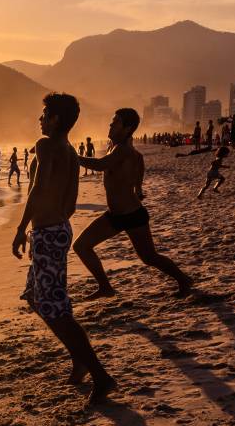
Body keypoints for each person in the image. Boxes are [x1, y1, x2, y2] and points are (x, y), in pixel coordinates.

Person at [13, 93, 115, 402]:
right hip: (58, 230)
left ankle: (99, 374)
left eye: (44, 114)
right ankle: (79, 360)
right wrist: (54, 226)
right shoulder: (70, 152)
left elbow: (37, 187)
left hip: (48, 233)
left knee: (56, 310)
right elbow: (69, 202)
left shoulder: (45, 146)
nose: (40, 119)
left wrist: (22, 228)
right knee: (36, 297)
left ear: (56, 119)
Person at [74, 108, 194, 299]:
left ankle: (184, 279)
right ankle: (105, 287)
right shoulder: (124, 150)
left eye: (115, 122)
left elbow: (100, 165)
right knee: (81, 246)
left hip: (131, 215)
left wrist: (72, 156)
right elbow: (139, 168)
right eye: (112, 122)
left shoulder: (123, 150)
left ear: (127, 128)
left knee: (149, 257)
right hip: (116, 215)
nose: (110, 125)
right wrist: (138, 189)